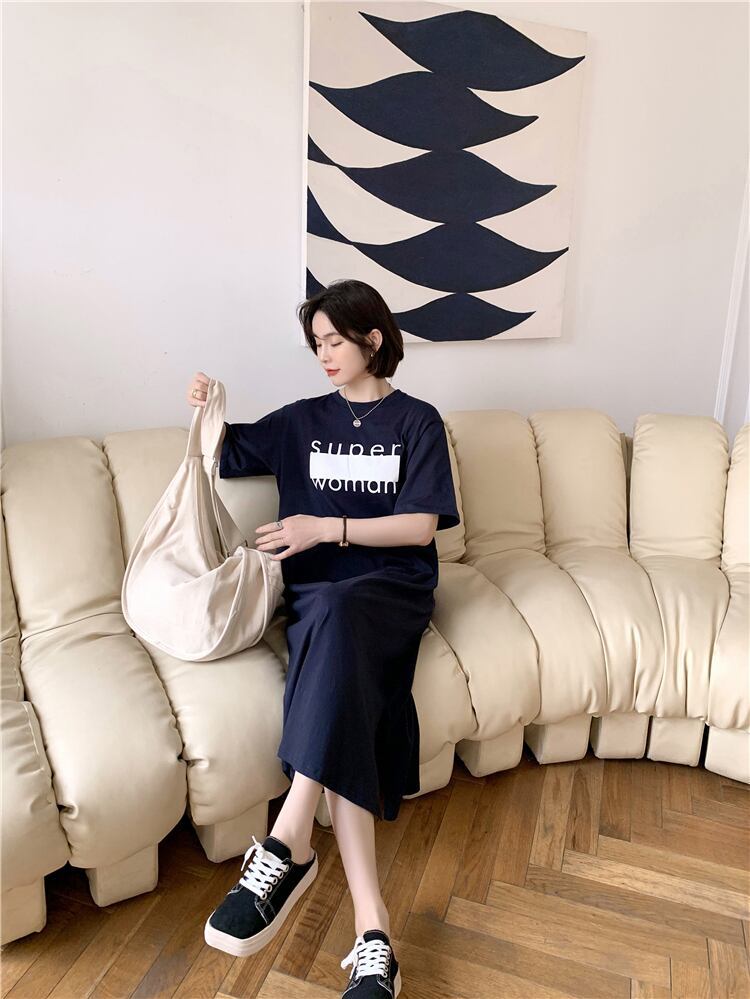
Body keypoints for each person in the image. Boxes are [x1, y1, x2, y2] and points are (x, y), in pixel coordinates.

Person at [188, 279, 460, 998]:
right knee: (341, 650)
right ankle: (374, 934)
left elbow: (420, 527)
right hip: (317, 598)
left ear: (373, 338)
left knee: (342, 629)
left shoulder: (417, 421)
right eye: (317, 344)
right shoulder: (300, 420)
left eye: (335, 341)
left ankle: (289, 841)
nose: (325, 355)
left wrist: (325, 528)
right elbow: (223, 450)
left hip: (394, 589)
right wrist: (208, 407)